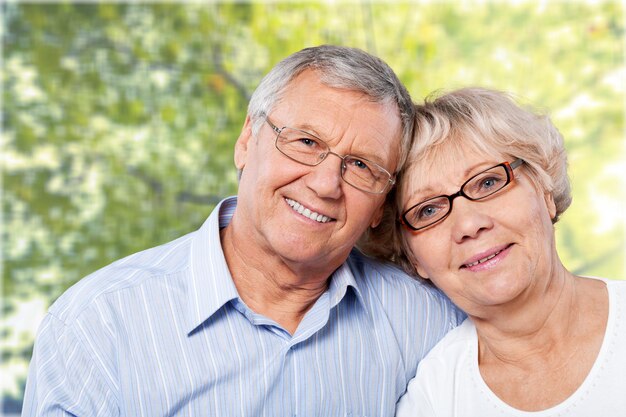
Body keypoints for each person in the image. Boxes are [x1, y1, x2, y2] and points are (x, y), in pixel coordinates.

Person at [22, 45, 464, 416]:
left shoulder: (429, 321)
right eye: (306, 142)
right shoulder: (96, 326)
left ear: (379, 206)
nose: (325, 184)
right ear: (246, 141)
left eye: (361, 166)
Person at [361, 87, 626, 416]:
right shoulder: (434, 398)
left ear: (544, 190)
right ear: (414, 258)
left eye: (487, 182)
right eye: (427, 211)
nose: (469, 225)